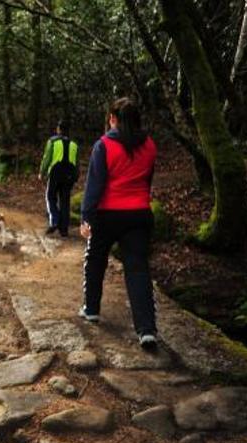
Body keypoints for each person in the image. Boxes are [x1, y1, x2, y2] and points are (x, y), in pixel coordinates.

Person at [79, 97, 158, 350]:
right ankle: (146, 330)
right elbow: (147, 180)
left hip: (107, 214)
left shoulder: (104, 146)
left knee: (95, 260)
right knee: (138, 269)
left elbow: (94, 185)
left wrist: (86, 216)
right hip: (138, 214)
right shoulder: (150, 145)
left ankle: (91, 309)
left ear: (113, 119)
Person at [38, 120, 79, 237]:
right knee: (65, 201)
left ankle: (55, 220)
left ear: (58, 129)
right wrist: (76, 177)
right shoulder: (74, 144)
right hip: (69, 175)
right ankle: (64, 230)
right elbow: (77, 163)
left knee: (50, 196)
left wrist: (42, 172)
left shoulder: (53, 141)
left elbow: (47, 158)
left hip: (56, 172)